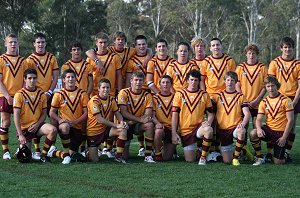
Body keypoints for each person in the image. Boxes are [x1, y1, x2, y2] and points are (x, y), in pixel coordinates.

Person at [26, 32, 59, 160]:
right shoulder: (29, 60)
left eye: (42, 42)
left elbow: (55, 77)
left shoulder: (52, 58)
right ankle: (37, 149)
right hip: (36, 96)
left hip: (49, 94)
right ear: (34, 44)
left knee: (53, 119)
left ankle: (51, 146)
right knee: (36, 120)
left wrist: (50, 92)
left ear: (46, 43)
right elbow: (28, 79)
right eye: (38, 42)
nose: (40, 44)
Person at [13, 68, 57, 163]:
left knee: (52, 130)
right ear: (24, 79)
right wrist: (20, 135)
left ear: (37, 79)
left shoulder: (41, 94)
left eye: (34, 78)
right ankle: (21, 149)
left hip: (38, 126)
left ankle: (43, 156)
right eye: (29, 78)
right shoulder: (19, 95)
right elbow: (16, 116)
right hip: (25, 129)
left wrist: (37, 125)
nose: (32, 80)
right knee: (25, 158)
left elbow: (44, 114)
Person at [200, 37, 236, 153]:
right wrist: (204, 94)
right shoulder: (206, 61)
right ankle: (212, 149)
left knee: (223, 121)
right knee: (212, 121)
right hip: (210, 95)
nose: (216, 47)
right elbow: (202, 79)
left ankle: (224, 146)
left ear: (221, 46)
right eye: (213, 45)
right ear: (210, 48)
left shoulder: (229, 61)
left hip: (226, 96)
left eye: (218, 45)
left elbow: (234, 79)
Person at [268, 37, 300, 162]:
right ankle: (270, 153)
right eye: (285, 47)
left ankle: (287, 152)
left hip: (293, 98)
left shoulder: (297, 64)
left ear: (293, 48)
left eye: (290, 47)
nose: (288, 49)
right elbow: (271, 82)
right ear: (281, 48)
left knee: (291, 126)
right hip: (277, 98)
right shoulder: (274, 63)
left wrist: (295, 101)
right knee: (273, 124)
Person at [172, 69, 213, 165]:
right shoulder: (179, 94)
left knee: (208, 130)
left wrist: (208, 122)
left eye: (196, 80)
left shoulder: (204, 95)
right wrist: (174, 132)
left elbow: (211, 114)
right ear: (187, 80)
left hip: (199, 128)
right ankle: (199, 149)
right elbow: (175, 115)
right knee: (190, 160)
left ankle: (203, 157)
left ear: (199, 82)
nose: (193, 82)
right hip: (185, 130)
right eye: (191, 80)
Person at [250, 76, 294, 165]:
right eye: (268, 86)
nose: (270, 88)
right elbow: (258, 119)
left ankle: (285, 155)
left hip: (281, 133)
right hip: (269, 130)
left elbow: (291, 120)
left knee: (278, 162)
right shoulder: (264, 102)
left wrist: (284, 138)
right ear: (265, 88)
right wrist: (258, 128)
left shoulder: (286, 100)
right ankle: (260, 157)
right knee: (253, 133)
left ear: (277, 86)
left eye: (272, 86)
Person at [49, 69, 89, 164]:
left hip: (77, 128)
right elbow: (51, 113)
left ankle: (54, 152)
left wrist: (75, 122)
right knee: (65, 126)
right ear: (63, 79)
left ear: (76, 79)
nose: (70, 79)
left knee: (73, 154)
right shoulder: (59, 94)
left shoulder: (82, 94)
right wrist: (60, 120)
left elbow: (86, 113)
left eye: (72, 77)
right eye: (68, 77)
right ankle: (66, 155)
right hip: (65, 127)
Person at [86, 31, 152, 88]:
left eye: (122, 39)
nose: (120, 41)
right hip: (112, 82)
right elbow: (88, 52)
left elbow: (148, 49)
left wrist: (147, 58)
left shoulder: (130, 50)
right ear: (114, 41)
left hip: (125, 81)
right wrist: (98, 61)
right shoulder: (109, 49)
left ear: (125, 41)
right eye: (118, 39)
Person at [235, 44, 267, 161]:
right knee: (243, 128)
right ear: (246, 54)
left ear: (257, 54)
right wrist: (243, 100)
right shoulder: (240, 67)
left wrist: (257, 100)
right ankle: (243, 152)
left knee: (256, 128)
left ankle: (258, 153)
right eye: (249, 53)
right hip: (244, 104)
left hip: (257, 104)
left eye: (253, 53)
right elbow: (237, 84)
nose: (251, 55)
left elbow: (265, 87)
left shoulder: (262, 67)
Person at [61, 41, 93, 155]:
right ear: (70, 51)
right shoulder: (66, 65)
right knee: (68, 123)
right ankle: (68, 149)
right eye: (74, 49)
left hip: (84, 97)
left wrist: (87, 95)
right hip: (70, 98)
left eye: (78, 49)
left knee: (84, 124)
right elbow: (64, 84)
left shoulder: (87, 65)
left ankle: (83, 149)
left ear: (81, 51)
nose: (76, 52)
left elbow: (91, 83)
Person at [212, 71, 251, 166]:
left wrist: (242, 125)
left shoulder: (240, 96)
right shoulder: (217, 96)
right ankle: (243, 151)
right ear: (224, 81)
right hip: (223, 130)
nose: (230, 82)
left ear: (236, 82)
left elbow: (247, 113)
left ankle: (236, 159)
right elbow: (210, 111)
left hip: (235, 128)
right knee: (226, 160)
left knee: (241, 132)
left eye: (232, 80)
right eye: (228, 80)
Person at [86, 78, 128, 163]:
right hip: (93, 132)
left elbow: (117, 113)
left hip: (105, 129)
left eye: (108, 87)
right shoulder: (94, 100)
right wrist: (116, 125)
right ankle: (87, 151)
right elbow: (99, 119)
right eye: (103, 87)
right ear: (99, 89)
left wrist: (122, 122)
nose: (106, 89)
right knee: (94, 160)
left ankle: (118, 157)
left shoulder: (111, 99)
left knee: (122, 130)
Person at [0, 33, 28, 160]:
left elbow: (25, 80)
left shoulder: (23, 61)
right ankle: (5, 151)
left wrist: (19, 95)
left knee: (22, 124)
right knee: (6, 122)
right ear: (5, 44)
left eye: (15, 42)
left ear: (18, 44)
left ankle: (20, 148)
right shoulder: (1, 59)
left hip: (19, 96)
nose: (13, 44)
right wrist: (7, 96)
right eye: (10, 42)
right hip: (4, 95)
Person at [118, 71, 155, 163]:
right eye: (136, 80)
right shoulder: (123, 92)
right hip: (127, 125)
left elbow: (148, 115)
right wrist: (138, 119)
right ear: (131, 81)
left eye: (140, 80)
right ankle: (113, 150)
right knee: (125, 156)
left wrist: (135, 121)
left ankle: (148, 155)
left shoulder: (147, 95)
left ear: (143, 82)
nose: (138, 82)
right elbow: (123, 112)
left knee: (149, 125)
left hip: (137, 124)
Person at [86, 32, 122, 97]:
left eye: (105, 42)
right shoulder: (90, 58)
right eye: (100, 42)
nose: (103, 45)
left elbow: (119, 76)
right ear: (96, 43)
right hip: (94, 93)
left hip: (110, 93)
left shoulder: (115, 57)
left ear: (108, 43)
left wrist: (119, 92)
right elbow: (87, 77)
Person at [152, 75, 176, 161]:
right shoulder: (155, 98)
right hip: (161, 127)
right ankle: (157, 153)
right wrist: (158, 123)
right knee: (158, 131)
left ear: (171, 85)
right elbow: (152, 115)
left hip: (172, 129)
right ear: (159, 85)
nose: (165, 84)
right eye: (163, 82)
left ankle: (164, 148)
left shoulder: (176, 97)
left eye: (167, 82)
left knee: (166, 158)